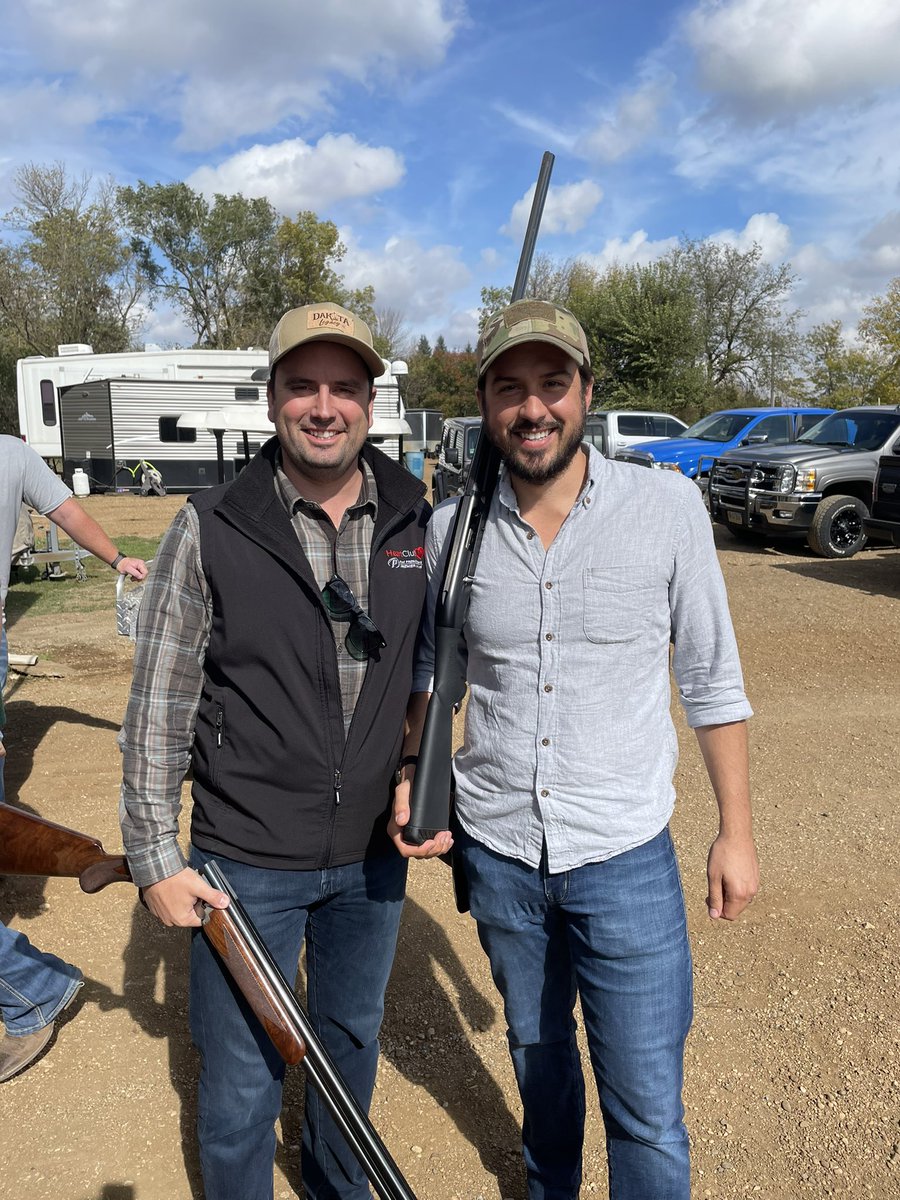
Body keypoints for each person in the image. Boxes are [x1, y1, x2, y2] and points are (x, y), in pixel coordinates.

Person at [391, 299, 759, 1200]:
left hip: (624, 853)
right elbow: (439, 680)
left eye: (552, 385)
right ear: (484, 406)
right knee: (540, 1066)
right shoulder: (452, 530)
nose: (533, 408)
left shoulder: (667, 509)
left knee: (644, 1107)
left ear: (587, 393)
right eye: (509, 389)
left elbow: (712, 680)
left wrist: (734, 831)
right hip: (502, 852)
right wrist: (411, 770)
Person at [119, 302, 440, 1200]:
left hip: (372, 863)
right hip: (244, 862)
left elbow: (426, 673)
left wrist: (417, 770)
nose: (324, 405)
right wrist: (152, 855)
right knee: (238, 1087)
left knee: (347, 1056)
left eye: (345, 387)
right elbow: (163, 701)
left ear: (372, 403)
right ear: (272, 401)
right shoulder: (212, 523)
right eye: (303, 385)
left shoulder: (419, 519)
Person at [0, 437, 147, 1082]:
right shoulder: (11, 453)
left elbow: (63, 510)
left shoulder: (10, 455)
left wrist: (118, 559)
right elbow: (64, 510)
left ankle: (31, 985)